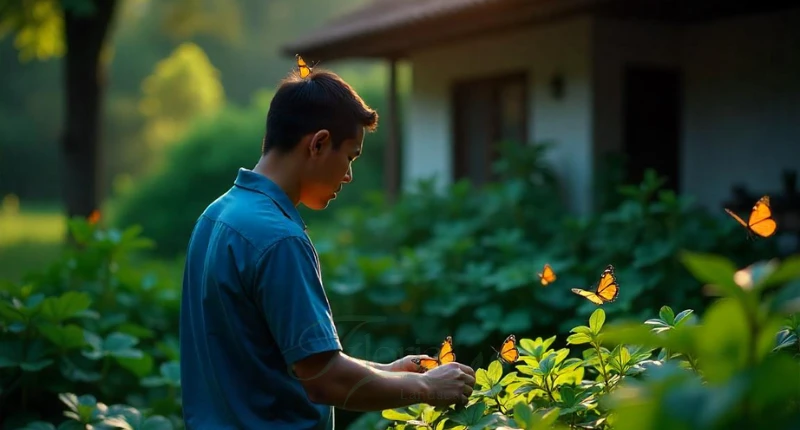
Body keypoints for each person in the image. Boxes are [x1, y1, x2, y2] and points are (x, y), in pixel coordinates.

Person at [179, 68, 476, 429]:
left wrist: (387, 372)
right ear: (318, 143)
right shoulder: (279, 239)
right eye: (350, 156)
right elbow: (323, 380)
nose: (348, 175)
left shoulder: (215, 217)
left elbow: (302, 363)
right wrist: (425, 387)